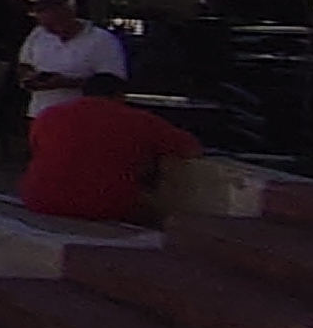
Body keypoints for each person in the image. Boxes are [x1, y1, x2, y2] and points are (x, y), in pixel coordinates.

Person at [16, 73, 205, 222]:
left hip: (40, 200)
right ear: (120, 96)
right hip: (108, 206)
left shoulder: (48, 116)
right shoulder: (139, 120)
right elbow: (191, 149)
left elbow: (37, 148)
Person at [16, 0, 127, 121]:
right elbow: (24, 63)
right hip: (41, 113)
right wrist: (29, 78)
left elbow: (112, 83)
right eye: (49, 27)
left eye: (59, 22)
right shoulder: (38, 35)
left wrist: (68, 82)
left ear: (71, 14)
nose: (57, 30)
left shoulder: (102, 40)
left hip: (85, 117)